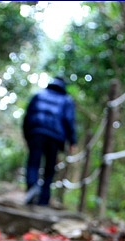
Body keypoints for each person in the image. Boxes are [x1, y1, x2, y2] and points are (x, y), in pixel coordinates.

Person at [22, 75, 78, 206]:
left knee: (33, 163)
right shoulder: (66, 100)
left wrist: (27, 136)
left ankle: (32, 186)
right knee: (49, 168)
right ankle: (44, 199)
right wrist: (72, 141)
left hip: (36, 133)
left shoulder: (39, 95)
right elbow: (69, 121)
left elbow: (27, 117)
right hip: (55, 136)